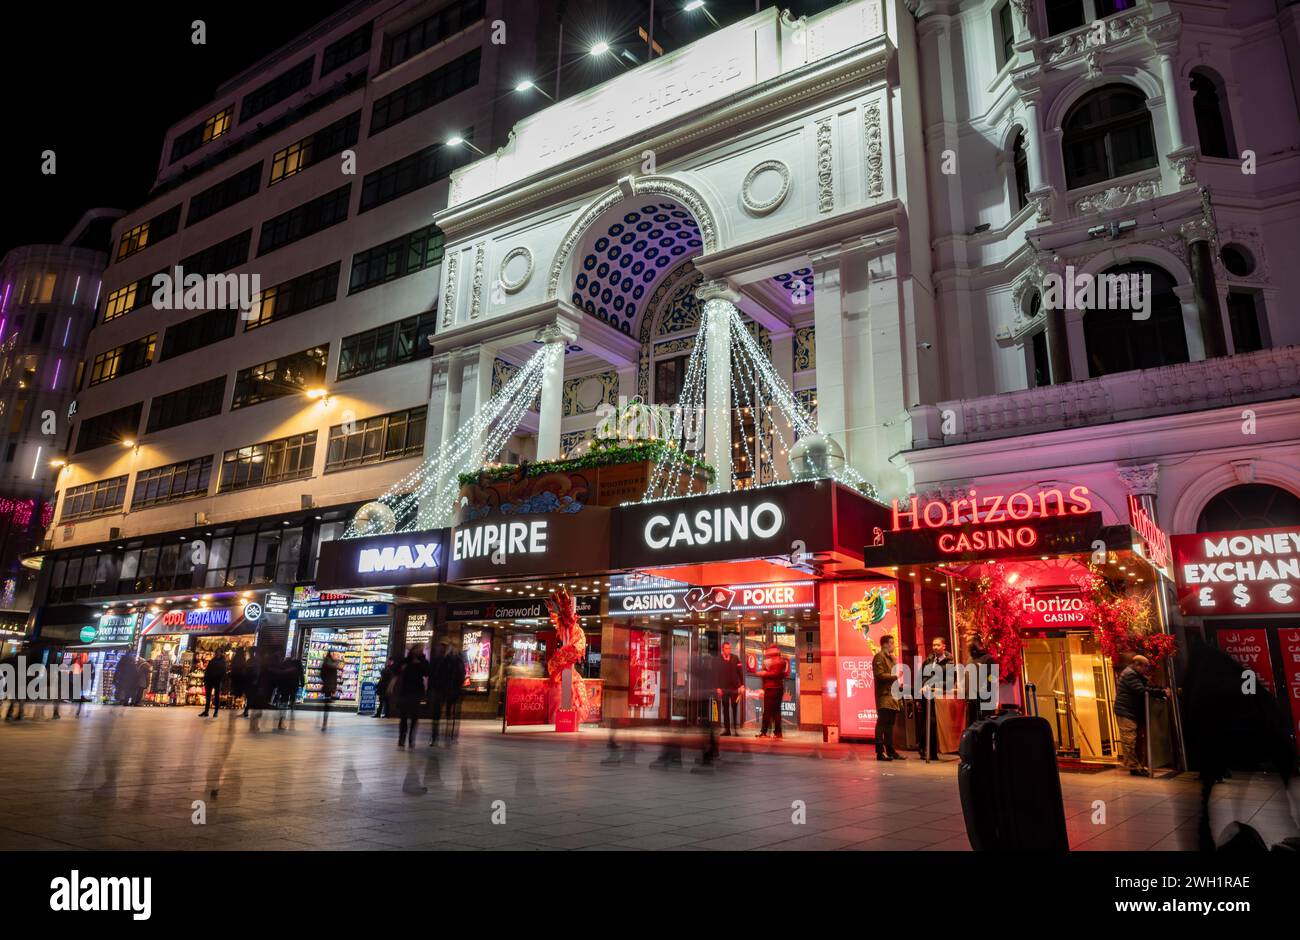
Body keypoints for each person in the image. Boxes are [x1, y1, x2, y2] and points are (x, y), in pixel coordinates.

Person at [1114, 654, 1167, 776]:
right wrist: (1162, 692)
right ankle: (1135, 767)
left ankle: (1136, 767)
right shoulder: (1130, 674)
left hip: (1131, 712)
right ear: (1137, 664)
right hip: (1126, 712)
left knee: (1136, 740)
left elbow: (1146, 687)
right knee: (1130, 741)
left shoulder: (1136, 674)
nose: (1147, 669)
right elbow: (1141, 690)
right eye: (1146, 666)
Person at [917, 637, 953, 757]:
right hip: (926, 696)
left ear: (944, 646)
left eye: (938, 645)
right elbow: (921, 677)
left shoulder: (949, 663)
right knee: (926, 722)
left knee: (933, 722)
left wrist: (931, 685)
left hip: (939, 697)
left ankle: (931, 751)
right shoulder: (929, 660)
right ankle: (924, 749)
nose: (935, 647)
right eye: (933, 645)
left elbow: (949, 682)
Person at [873, 634, 903, 761]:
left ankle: (890, 750)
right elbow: (879, 675)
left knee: (890, 724)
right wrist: (895, 677)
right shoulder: (879, 657)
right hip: (884, 695)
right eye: (891, 643)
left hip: (892, 695)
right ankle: (880, 752)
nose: (893, 645)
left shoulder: (891, 658)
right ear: (884, 644)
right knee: (882, 723)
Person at [396, 647, 428, 748]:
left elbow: (427, 672)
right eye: (417, 649)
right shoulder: (406, 661)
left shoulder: (422, 662)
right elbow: (397, 670)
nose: (418, 651)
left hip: (416, 693)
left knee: (414, 717)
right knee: (403, 717)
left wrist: (422, 659)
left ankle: (411, 738)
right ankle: (402, 738)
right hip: (405, 692)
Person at [756, 644, 788, 739]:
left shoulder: (779, 661)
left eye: (770, 650)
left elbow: (776, 674)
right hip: (774, 688)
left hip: (773, 689)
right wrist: (763, 687)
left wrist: (765, 673)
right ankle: (777, 733)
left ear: (775, 651)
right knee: (775, 712)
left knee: (769, 712)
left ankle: (765, 732)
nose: (768, 652)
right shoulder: (774, 661)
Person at [716, 640, 744, 736]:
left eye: (729, 648)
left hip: (734, 688)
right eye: (726, 648)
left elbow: (740, 672)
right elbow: (716, 674)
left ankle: (736, 729)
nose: (728, 650)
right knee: (725, 709)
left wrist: (742, 685)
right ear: (722, 649)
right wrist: (718, 687)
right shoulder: (718, 659)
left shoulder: (735, 658)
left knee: (734, 708)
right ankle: (727, 730)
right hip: (724, 689)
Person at [199, 647, 228, 717]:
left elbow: (224, 672)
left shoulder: (223, 662)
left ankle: (216, 711)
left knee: (216, 696)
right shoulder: (212, 660)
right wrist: (205, 679)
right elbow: (208, 670)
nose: (217, 653)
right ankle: (206, 711)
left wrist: (222, 681)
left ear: (221, 653)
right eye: (216, 652)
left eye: (219, 652)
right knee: (208, 696)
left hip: (217, 681)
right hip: (209, 680)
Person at [319, 651, 339, 731]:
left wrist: (325, 681)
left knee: (326, 704)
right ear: (331, 655)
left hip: (327, 685)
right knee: (327, 705)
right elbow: (334, 677)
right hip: (330, 686)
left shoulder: (325, 663)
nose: (336, 656)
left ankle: (324, 723)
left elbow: (321, 674)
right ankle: (325, 723)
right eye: (334, 654)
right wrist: (334, 687)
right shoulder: (333, 664)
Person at [229, 648, 250, 717]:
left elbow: (232, 668)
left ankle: (234, 706)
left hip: (236, 679)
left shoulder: (235, 659)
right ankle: (242, 708)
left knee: (235, 693)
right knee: (243, 694)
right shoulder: (243, 660)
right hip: (241, 680)